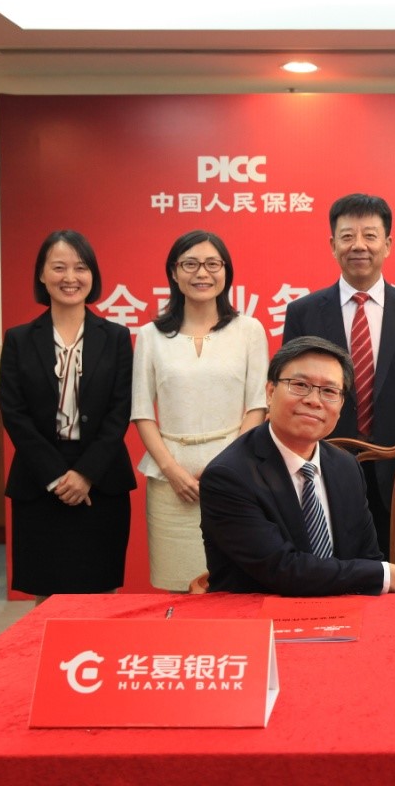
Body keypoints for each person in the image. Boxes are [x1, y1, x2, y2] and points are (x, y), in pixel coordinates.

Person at [199, 336, 395, 595]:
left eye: (329, 391)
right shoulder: (229, 476)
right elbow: (283, 570)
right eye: (300, 385)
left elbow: (367, 557)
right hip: (258, 614)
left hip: (344, 612)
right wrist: (389, 575)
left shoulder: (346, 467)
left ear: (341, 405)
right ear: (270, 392)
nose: (314, 400)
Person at [282, 194, 395, 559]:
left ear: (387, 244)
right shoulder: (304, 313)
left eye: (370, 235)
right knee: (325, 570)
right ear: (332, 245)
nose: (359, 245)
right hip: (321, 468)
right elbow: (291, 396)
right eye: (347, 236)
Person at [0, 230, 136, 603]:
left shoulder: (116, 337)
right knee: (48, 595)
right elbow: (14, 413)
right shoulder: (19, 339)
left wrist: (85, 474)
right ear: (42, 275)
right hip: (40, 479)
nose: (70, 277)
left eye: (80, 267)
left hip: (101, 479)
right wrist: (57, 477)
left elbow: (120, 410)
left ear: (92, 275)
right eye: (59, 267)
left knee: (101, 592)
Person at [132, 231, 268, 591]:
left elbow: (258, 405)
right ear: (174, 272)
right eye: (190, 264)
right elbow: (142, 412)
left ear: (226, 271)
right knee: (176, 588)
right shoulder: (150, 335)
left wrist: (225, 466)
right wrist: (172, 470)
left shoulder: (249, 330)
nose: (202, 273)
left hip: (235, 475)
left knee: (234, 586)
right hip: (170, 481)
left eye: (212, 264)